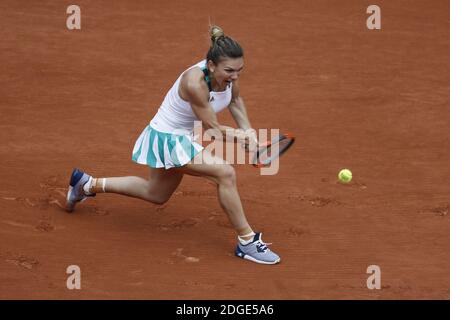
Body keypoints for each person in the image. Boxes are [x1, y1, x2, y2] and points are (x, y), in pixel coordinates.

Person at [66, 26, 280, 265]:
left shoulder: (229, 75)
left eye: (240, 70)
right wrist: (243, 139)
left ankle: (87, 185)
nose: (235, 76)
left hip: (181, 136)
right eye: (229, 70)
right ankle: (247, 241)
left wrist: (249, 131)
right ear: (211, 65)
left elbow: (236, 101)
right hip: (167, 138)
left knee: (155, 194)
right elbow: (213, 130)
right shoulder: (194, 83)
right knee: (225, 173)